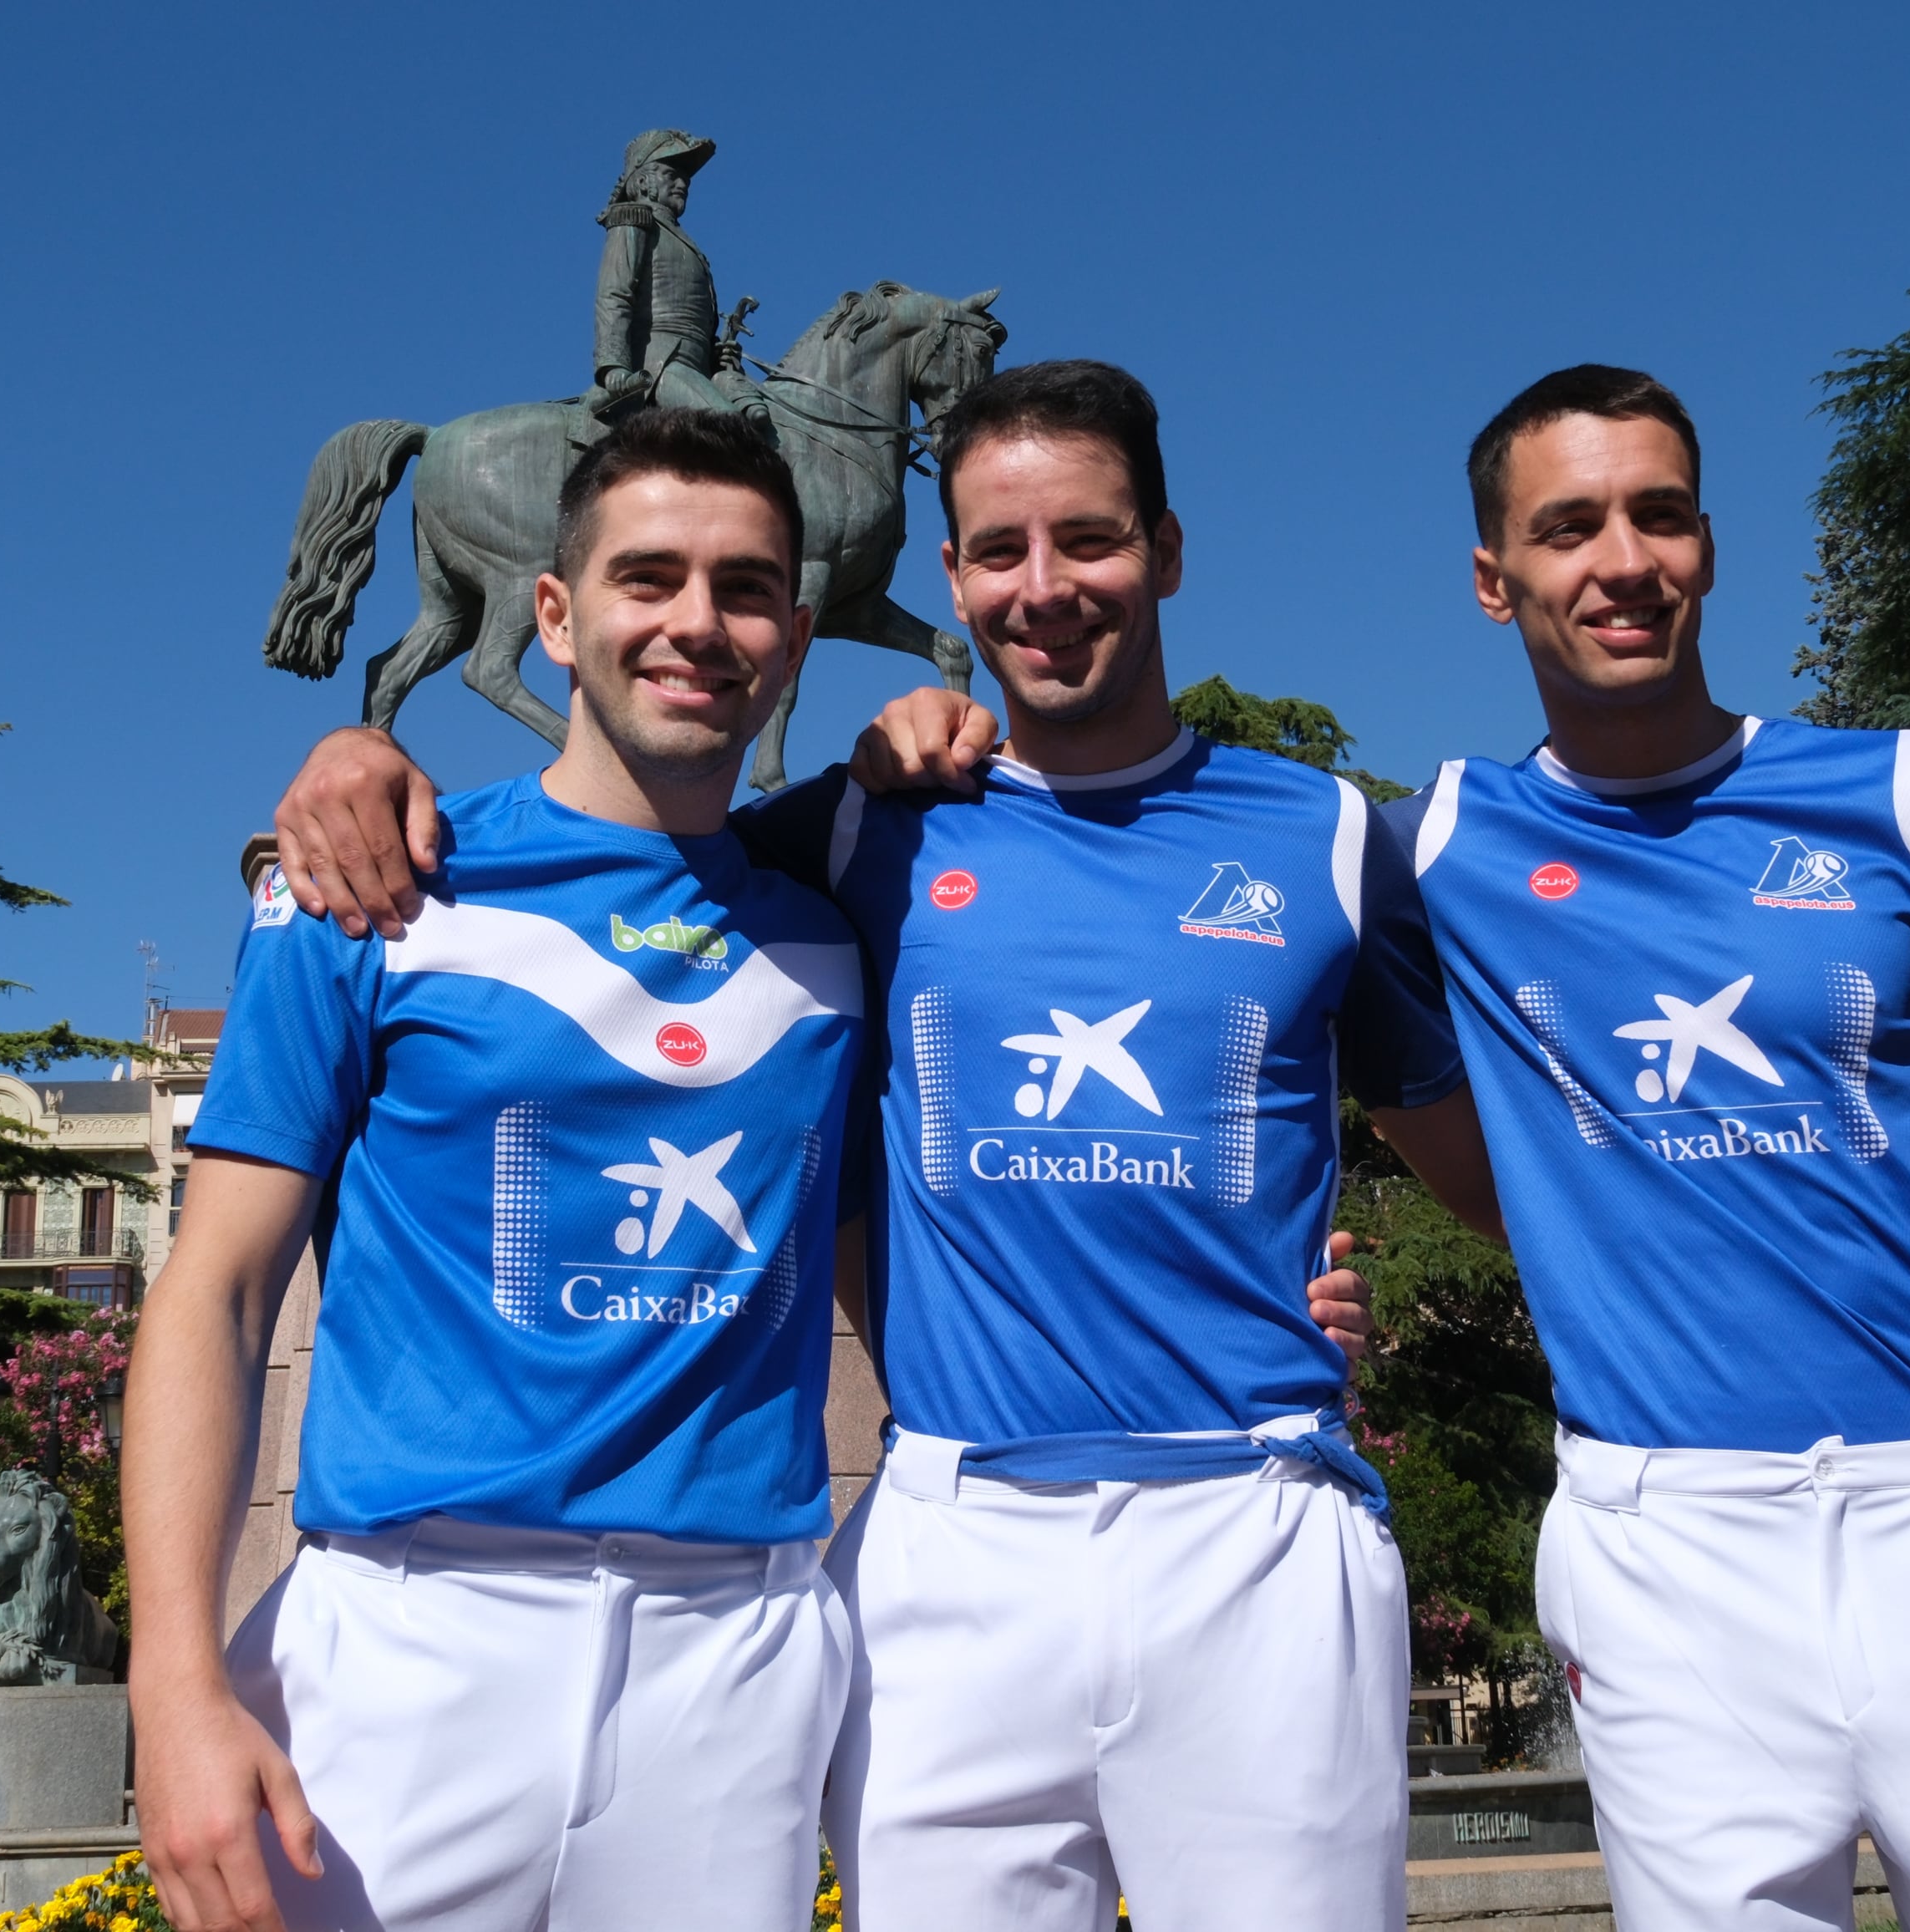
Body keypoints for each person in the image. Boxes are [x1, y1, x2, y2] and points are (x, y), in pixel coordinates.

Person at [841, 365, 1910, 1931]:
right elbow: (1492, 1186)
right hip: (1660, 1534)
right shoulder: (1419, 843)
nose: (1619, 561)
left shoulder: (1887, 798)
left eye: (1655, 515)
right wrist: (1290, 1286)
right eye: (1567, 526)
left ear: (1704, 542)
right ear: (1496, 579)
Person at [267, 362, 1491, 1932]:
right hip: (949, 1535)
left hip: (1254, 1520)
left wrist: (1369, 1288)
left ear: (1167, 550)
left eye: (1088, 542)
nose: (1042, 588)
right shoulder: (853, 831)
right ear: (950, 579)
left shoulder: (1329, 833)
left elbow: (1496, 1180)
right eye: (997, 551)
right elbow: (623, 835)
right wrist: (358, 766)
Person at [124, 410, 865, 1932]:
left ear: (792, 636)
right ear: (552, 612)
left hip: (731, 1663)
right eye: (646, 576)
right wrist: (174, 1683)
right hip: (404, 1650)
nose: (693, 623)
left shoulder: (845, 925)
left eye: (742, 588)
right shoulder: (365, 887)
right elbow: (213, 1289)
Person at [582, 129, 770, 428]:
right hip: (660, 366)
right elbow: (614, 296)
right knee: (731, 431)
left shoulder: (687, 244)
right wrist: (613, 366)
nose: (683, 184)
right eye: (672, 175)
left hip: (696, 371)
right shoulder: (633, 219)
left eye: (686, 179)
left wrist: (716, 354)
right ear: (643, 181)